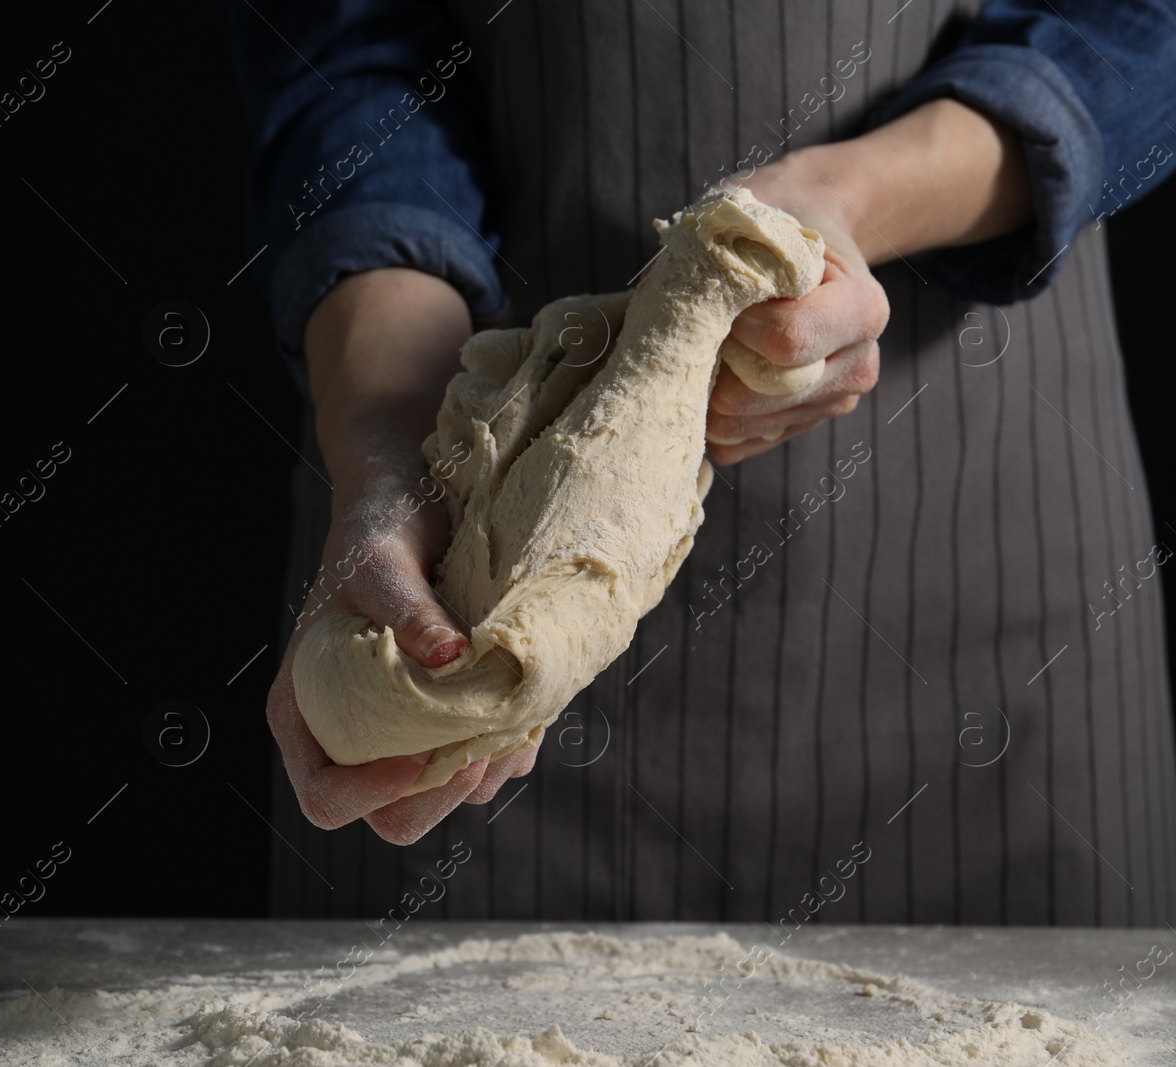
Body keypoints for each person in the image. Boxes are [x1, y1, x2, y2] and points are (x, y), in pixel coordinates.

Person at [228, 0, 1176, 925]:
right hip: (459, 491)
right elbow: (347, 60)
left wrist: (839, 205)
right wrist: (392, 438)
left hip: (979, 576)